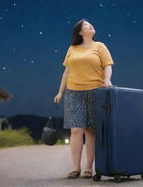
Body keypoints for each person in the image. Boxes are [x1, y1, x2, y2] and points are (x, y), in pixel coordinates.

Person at [53, 19, 114, 179]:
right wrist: (60, 92)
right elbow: (66, 72)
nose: (91, 25)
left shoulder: (100, 46)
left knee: (91, 131)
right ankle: (75, 168)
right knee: (76, 130)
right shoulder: (72, 48)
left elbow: (107, 65)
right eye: (86, 25)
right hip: (74, 92)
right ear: (80, 32)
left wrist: (107, 79)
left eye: (91, 24)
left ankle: (88, 168)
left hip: (96, 91)